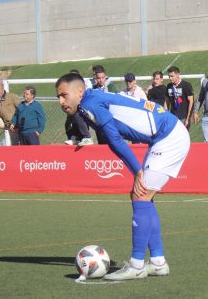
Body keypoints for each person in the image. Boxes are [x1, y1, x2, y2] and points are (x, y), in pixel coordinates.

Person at [55, 73, 190, 280]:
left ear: (79, 92)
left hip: (169, 137)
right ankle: (157, 262)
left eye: (64, 95)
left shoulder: (90, 103)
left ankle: (136, 265)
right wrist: (137, 172)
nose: (61, 101)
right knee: (143, 197)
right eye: (58, 97)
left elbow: (115, 138)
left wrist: (138, 172)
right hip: (165, 136)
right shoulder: (90, 102)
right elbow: (112, 141)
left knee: (140, 196)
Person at [0, 81, 20, 146]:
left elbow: (21, 109)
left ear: (3, 88)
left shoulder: (12, 96)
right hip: (7, 125)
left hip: (17, 124)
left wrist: (16, 122)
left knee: (22, 143)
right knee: (15, 144)